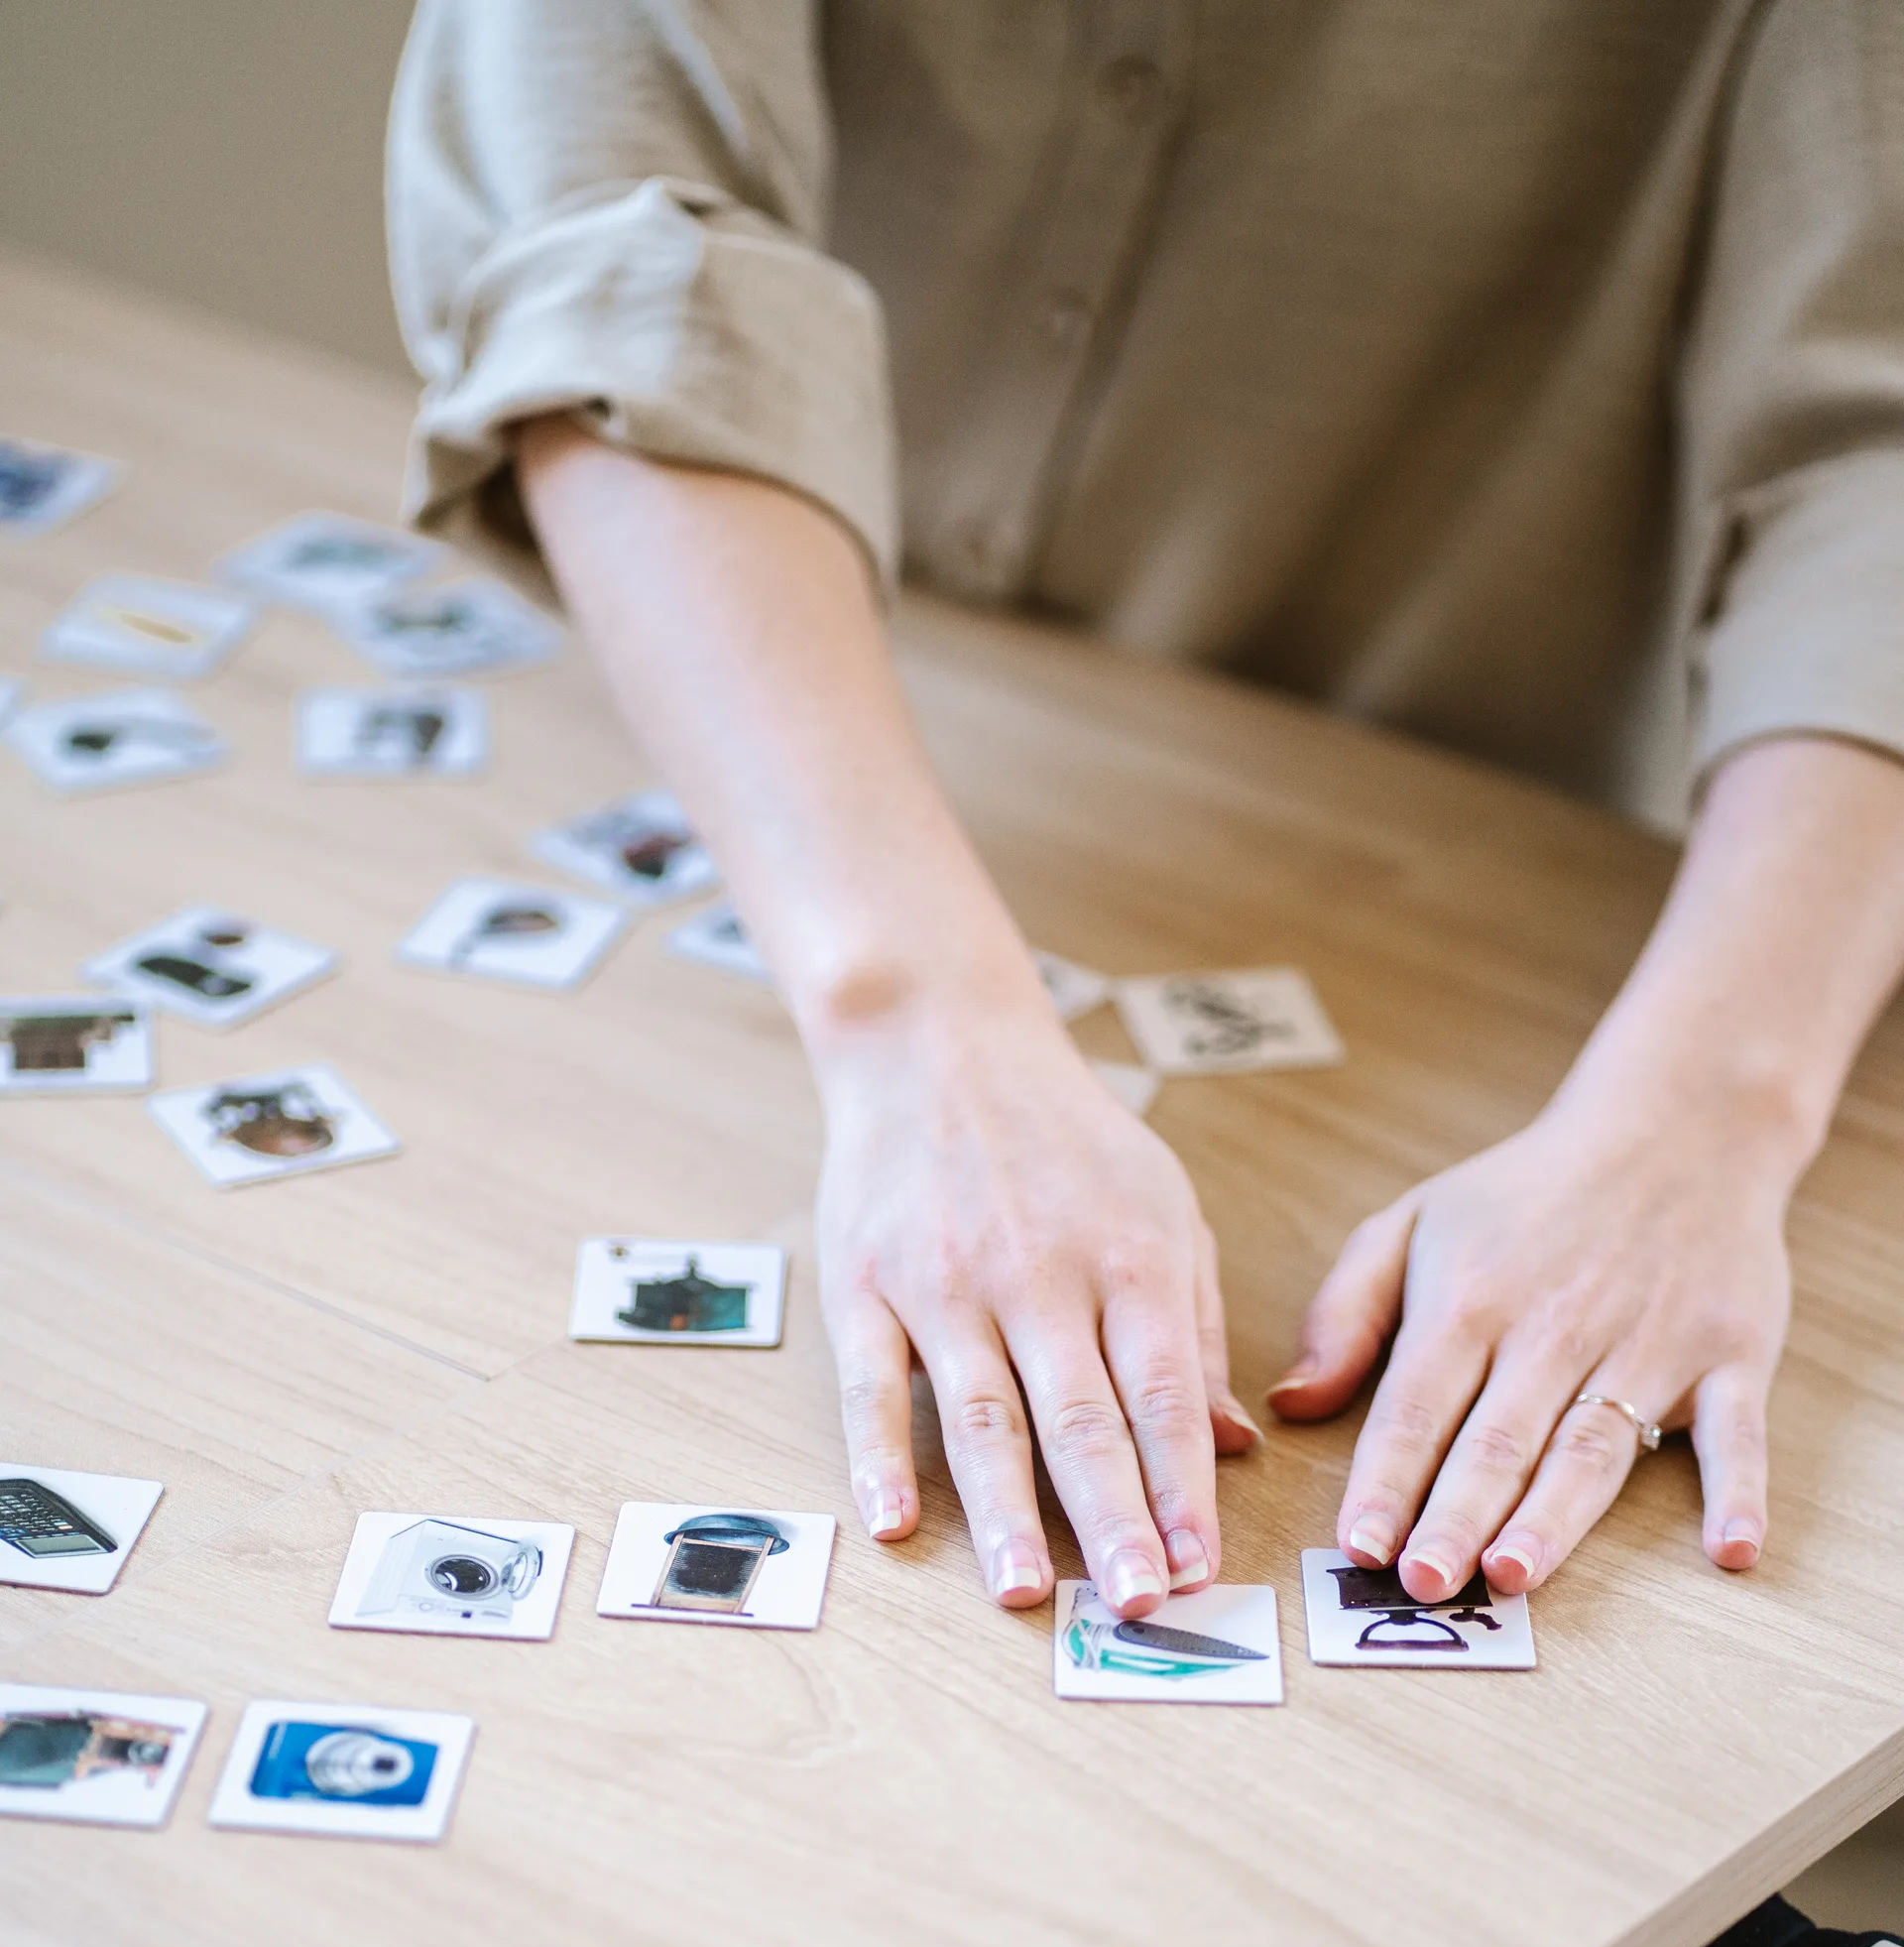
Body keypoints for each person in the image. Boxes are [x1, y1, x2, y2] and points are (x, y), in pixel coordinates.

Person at [388, 0, 1904, 1623]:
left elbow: (1877, 462)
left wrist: (1710, 1117)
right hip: (755, 676)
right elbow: (594, 231)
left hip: (1477, 853)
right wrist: (913, 1018)